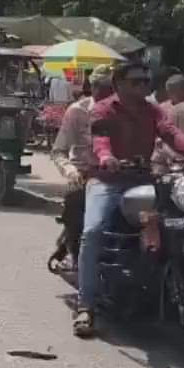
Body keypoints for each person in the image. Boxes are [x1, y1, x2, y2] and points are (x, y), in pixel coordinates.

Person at [76, 61, 184, 338]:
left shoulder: (154, 110)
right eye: (136, 81)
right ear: (118, 84)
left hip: (143, 180)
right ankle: (86, 306)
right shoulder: (103, 109)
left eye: (146, 81)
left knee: (183, 218)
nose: (143, 86)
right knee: (92, 232)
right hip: (108, 182)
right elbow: (100, 139)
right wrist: (106, 158)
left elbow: (171, 133)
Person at [48, 65, 114, 272]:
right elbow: (58, 151)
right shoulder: (77, 111)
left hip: (118, 174)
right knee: (76, 205)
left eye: (111, 87)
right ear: (91, 87)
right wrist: (70, 170)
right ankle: (75, 251)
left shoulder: (127, 111)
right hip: (84, 173)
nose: (105, 92)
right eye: (99, 87)